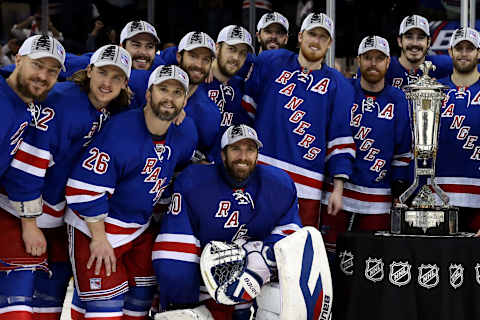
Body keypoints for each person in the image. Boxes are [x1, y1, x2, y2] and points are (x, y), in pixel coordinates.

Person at [1, 44, 131, 319]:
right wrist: (29, 223)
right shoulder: (63, 102)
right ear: (89, 71)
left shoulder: (107, 110)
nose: (107, 82)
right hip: (19, 212)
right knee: (17, 303)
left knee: (48, 304)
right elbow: (29, 162)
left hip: (56, 217)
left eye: (116, 77)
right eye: (102, 73)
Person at [64, 64, 198, 319]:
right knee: (105, 310)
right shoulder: (120, 130)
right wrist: (99, 238)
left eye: (177, 93)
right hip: (94, 226)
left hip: (138, 227)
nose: (169, 98)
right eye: (163, 90)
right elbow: (82, 188)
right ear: (148, 94)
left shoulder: (185, 134)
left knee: (139, 304)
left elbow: (185, 166)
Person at [153, 124, 302, 320]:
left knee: (278, 300)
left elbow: (291, 239)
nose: (243, 156)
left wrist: (259, 263)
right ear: (222, 155)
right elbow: (174, 245)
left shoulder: (278, 185)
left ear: (257, 155)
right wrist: (182, 302)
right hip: (200, 278)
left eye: (250, 149)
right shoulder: (194, 182)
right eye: (235, 149)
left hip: (250, 279)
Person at [241, 12, 356, 228]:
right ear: (301, 36)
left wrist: (338, 188)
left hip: (307, 183)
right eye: (312, 34)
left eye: (323, 37)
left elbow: (339, 137)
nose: (317, 41)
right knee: (252, 240)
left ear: (329, 43)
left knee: (296, 250)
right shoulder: (271, 62)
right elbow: (246, 113)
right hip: (262, 171)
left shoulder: (338, 85)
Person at [321, 36, 412, 254]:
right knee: (329, 257)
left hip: (378, 200)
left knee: (371, 264)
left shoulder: (398, 99)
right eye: (368, 57)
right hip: (339, 194)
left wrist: (399, 195)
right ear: (359, 61)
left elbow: (402, 152)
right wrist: (336, 185)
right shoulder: (344, 91)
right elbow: (334, 138)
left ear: (388, 62)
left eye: (379, 58)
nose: (373, 63)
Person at [0, 34, 65, 319]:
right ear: (18, 59)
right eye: (37, 65)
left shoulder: (21, 100)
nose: (43, 76)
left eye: (52, 70)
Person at [436, 27, 480, 234]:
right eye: (459, 48)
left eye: (469, 48)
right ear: (450, 52)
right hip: (439, 198)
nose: (464, 53)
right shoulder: (433, 91)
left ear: (478, 53)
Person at [202, 25, 254, 162]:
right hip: (195, 168)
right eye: (231, 49)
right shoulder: (195, 80)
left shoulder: (242, 87)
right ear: (217, 48)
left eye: (242, 53)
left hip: (228, 170)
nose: (236, 57)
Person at [176, 31, 222, 161]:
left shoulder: (209, 112)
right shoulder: (153, 81)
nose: (199, 65)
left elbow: (203, 160)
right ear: (179, 57)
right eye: (193, 56)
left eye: (205, 59)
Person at [386, 14, 453, 88]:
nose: (415, 43)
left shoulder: (443, 65)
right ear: (400, 41)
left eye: (420, 38)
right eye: (409, 37)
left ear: (428, 42)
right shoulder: (386, 67)